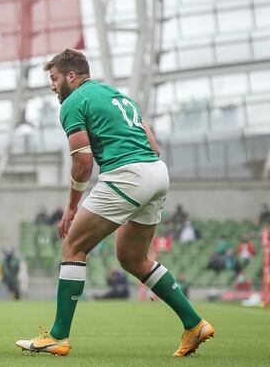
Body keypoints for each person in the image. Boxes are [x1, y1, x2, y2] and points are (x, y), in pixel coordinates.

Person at [15, 49, 213, 357]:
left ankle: (57, 336)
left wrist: (71, 207)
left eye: (54, 79)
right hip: (157, 173)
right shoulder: (116, 95)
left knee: (74, 247)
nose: (52, 86)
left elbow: (82, 163)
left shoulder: (73, 103)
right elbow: (154, 145)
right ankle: (193, 323)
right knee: (132, 258)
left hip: (127, 173)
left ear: (71, 76)